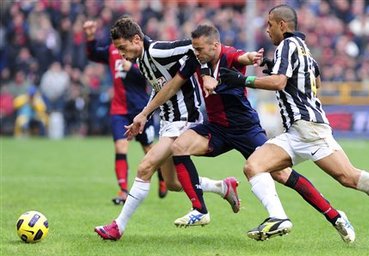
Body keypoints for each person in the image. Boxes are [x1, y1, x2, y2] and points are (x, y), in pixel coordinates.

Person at [219, 4, 369, 248]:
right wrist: (275, 67)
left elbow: (278, 83)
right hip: (298, 131)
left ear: (282, 25)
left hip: (309, 129)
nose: (267, 30)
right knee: (254, 165)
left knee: (349, 177)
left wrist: (244, 79)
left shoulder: (287, 45)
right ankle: (277, 217)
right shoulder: (304, 49)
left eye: (270, 24)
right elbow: (315, 78)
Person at [130, 24, 355, 243]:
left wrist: (250, 58)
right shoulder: (195, 60)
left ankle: (334, 215)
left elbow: (242, 57)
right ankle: (199, 209)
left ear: (215, 45)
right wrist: (145, 114)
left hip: (245, 129)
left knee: (282, 174)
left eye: (199, 49)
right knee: (179, 146)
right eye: (194, 49)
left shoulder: (228, 54)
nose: (195, 52)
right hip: (217, 128)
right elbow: (171, 86)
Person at [94, 17, 239, 240]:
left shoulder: (157, 51)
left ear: (136, 39)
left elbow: (196, 47)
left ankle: (118, 226)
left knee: (145, 167)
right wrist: (144, 114)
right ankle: (223, 187)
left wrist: (210, 74)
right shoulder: (141, 61)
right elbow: (159, 88)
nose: (121, 54)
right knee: (172, 183)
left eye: (123, 48)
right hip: (168, 122)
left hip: (184, 119)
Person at [83, 20, 168, 204]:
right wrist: (90, 37)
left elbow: (152, 79)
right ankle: (123, 191)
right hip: (119, 109)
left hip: (140, 109)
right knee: (120, 148)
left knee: (150, 151)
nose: (122, 51)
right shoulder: (114, 50)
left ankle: (162, 177)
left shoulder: (140, 52)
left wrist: (134, 69)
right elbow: (93, 54)